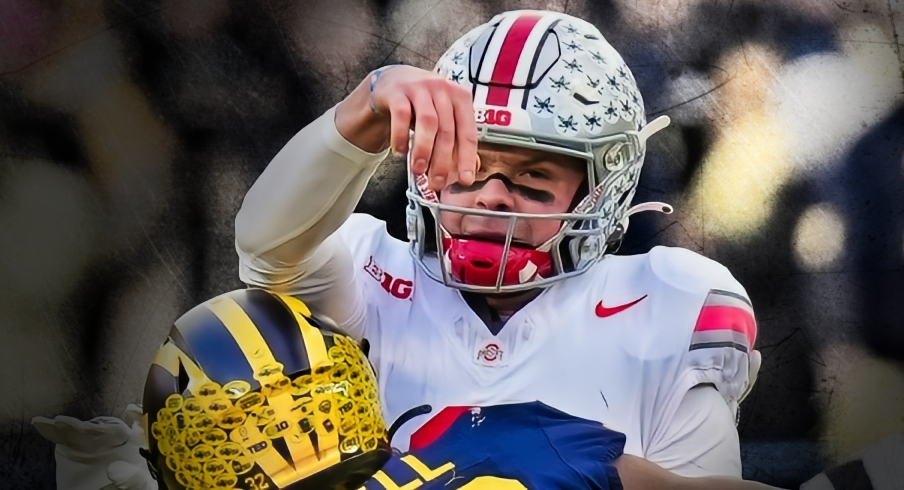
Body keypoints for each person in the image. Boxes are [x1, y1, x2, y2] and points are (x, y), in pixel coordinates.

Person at [235, 9, 762, 478]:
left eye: (532, 179)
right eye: (467, 166)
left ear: (601, 188)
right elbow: (264, 245)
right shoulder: (371, 275)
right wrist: (364, 110)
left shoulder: (667, 304)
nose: (491, 198)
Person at [128, 287, 774, 489]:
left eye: (298, 405)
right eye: (250, 421)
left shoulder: (503, 438)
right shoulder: (500, 439)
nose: (286, 432)